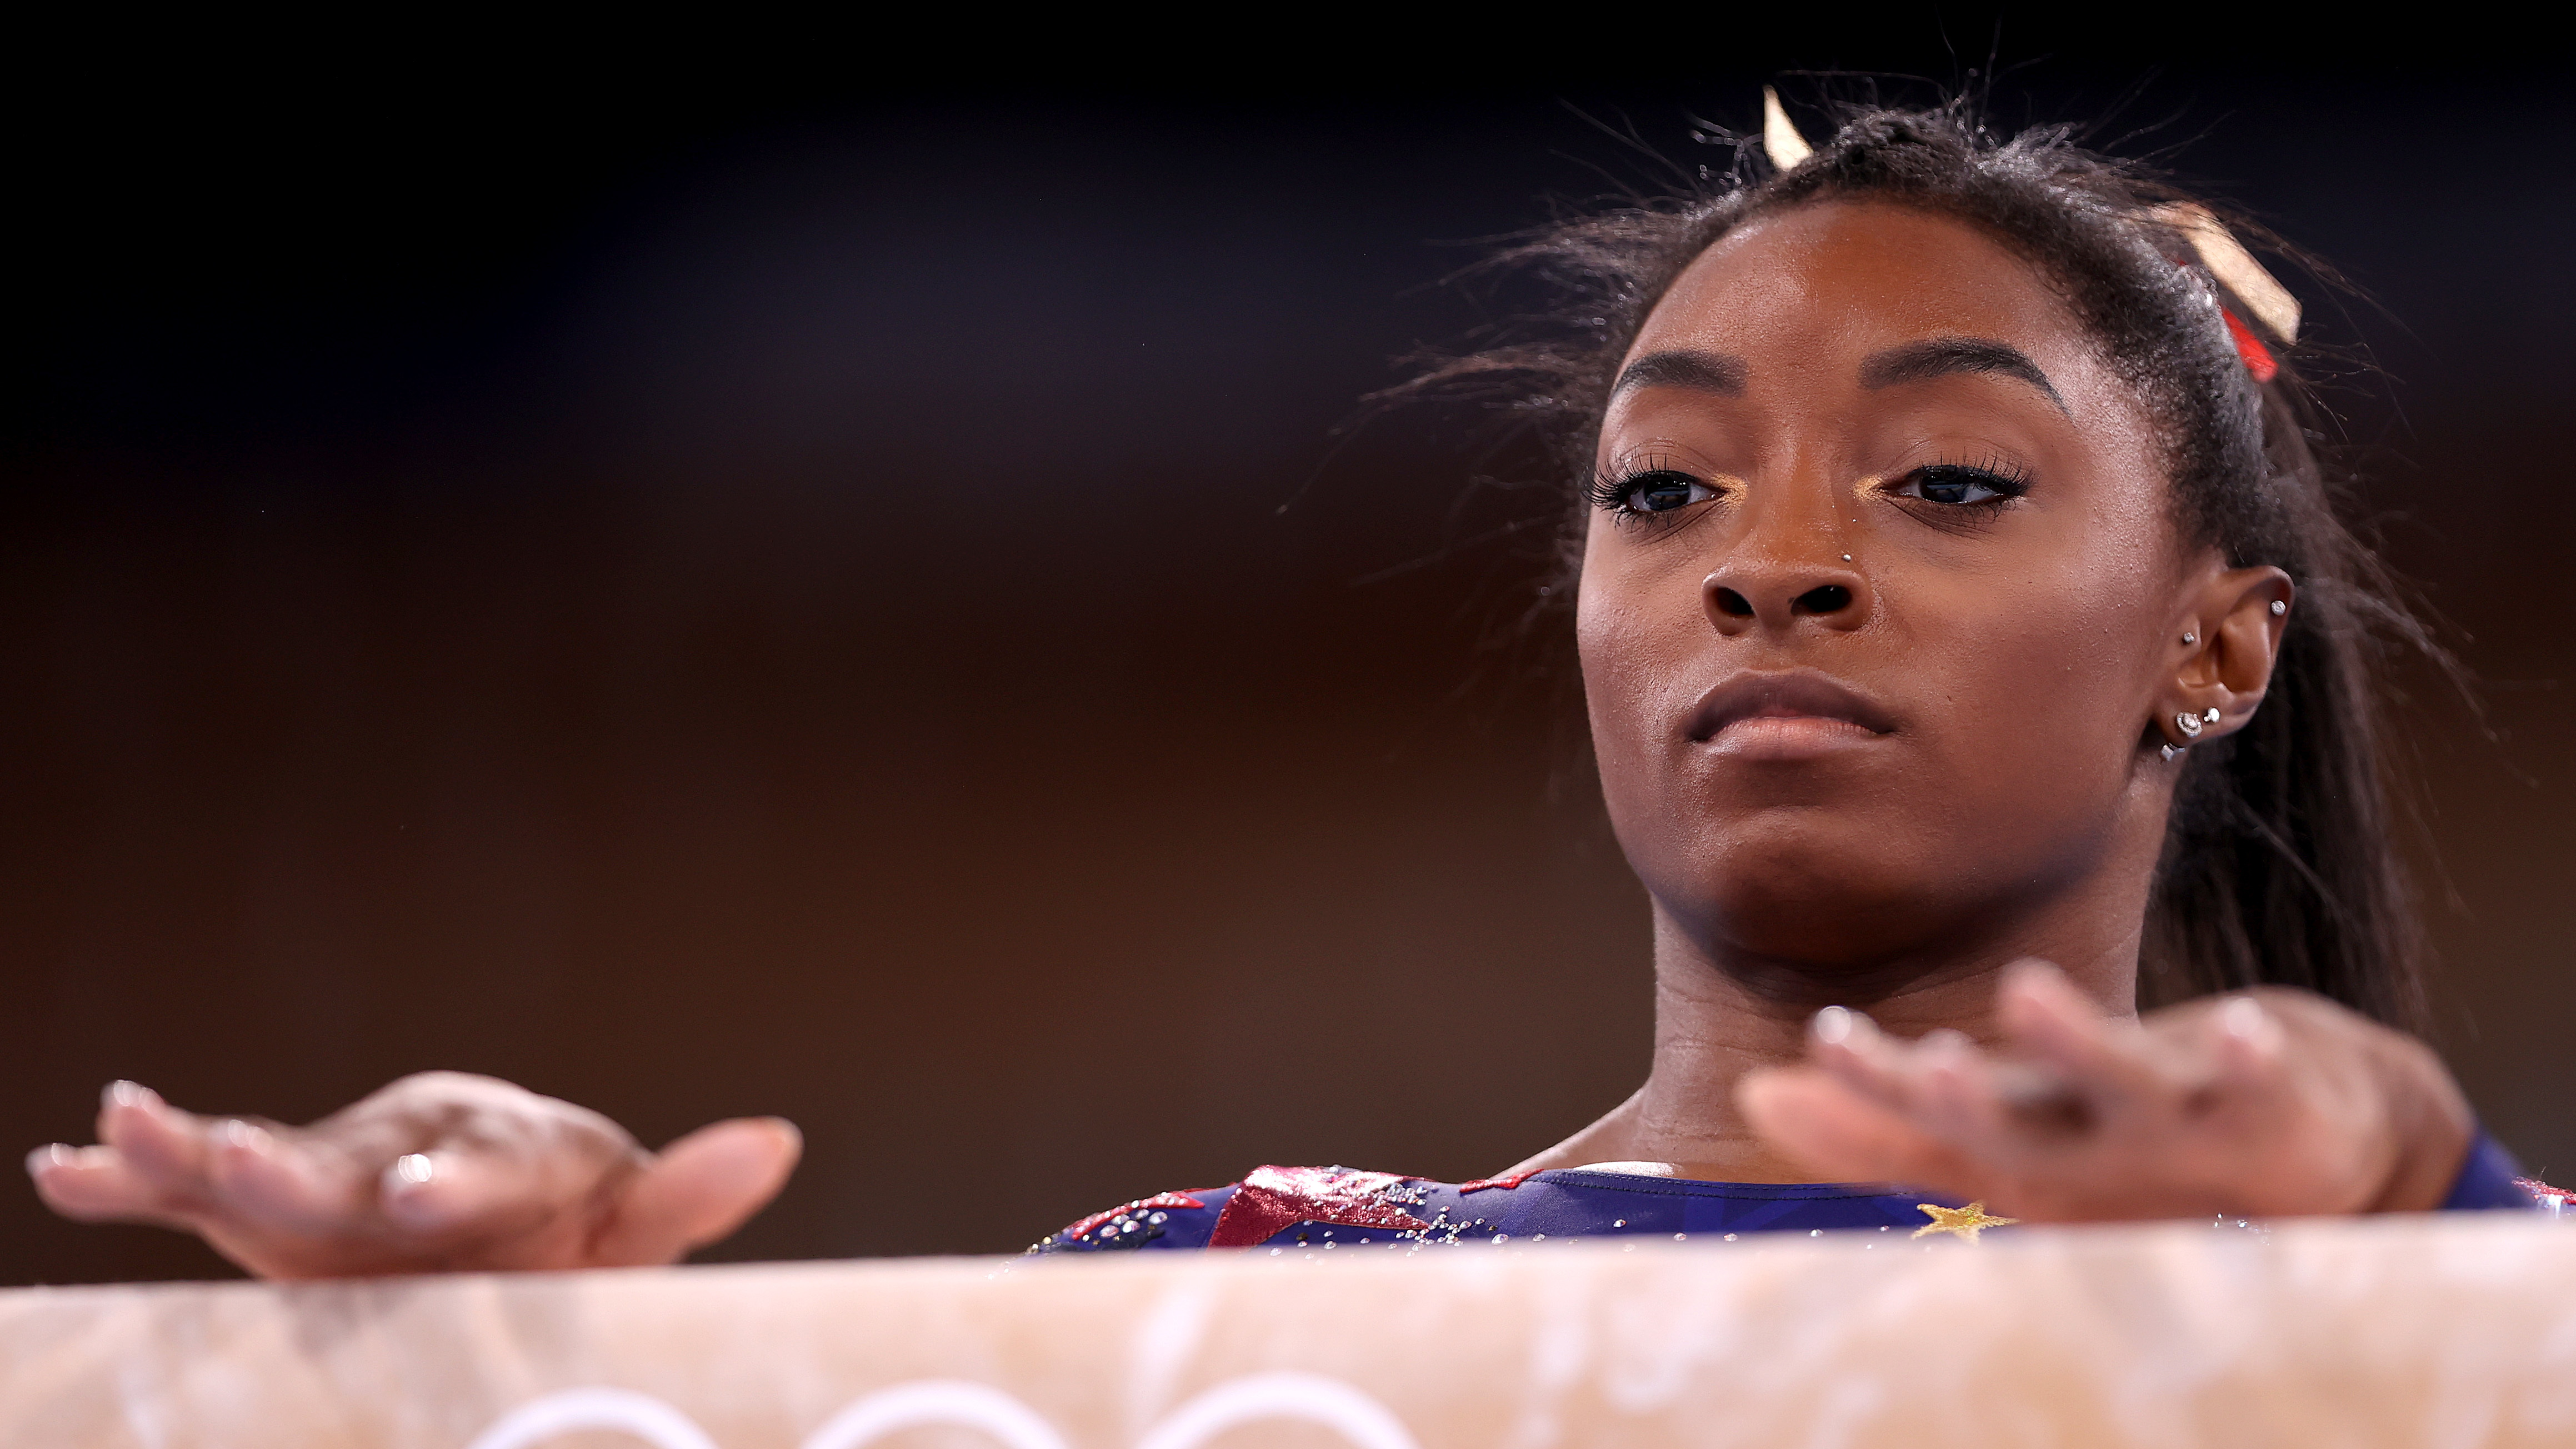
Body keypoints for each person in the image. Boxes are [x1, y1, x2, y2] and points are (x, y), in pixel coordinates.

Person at [25, 97, 2558, 1278]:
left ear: (2214, 635)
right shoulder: (1232, 1303)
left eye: (1946, 487)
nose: (1765, 571)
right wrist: (501, 1378)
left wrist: (2419, 1238)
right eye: (1663, 495)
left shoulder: (2419, 1274)